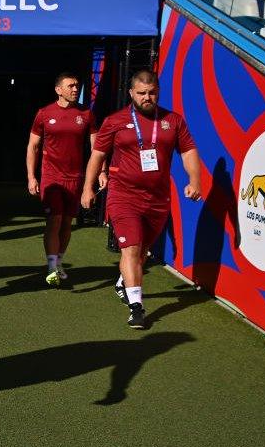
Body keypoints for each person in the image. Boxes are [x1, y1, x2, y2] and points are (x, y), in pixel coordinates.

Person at [81, 69, 201, 329]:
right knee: (132, 248)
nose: (148, 97)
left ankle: (123, 282)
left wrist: (194, 181)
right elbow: (97, 155)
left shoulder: (173, 121)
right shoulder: (115, 121)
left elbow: (189, 150)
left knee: (141, 252)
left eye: (152, 93)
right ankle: (137, 307)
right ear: (131, 93)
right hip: (124, 196)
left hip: (158, 200)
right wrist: (87, 188)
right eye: (142, 93)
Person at [26, 72, 103, 287]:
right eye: (70, 86)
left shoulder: (86, 114)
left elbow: (97, 146)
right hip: (51, 177)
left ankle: (58, 261)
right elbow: (33, 146)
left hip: (75, 178)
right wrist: (32, 176)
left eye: (77, 86)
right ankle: (51, 266)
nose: (75, 89)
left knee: (67, 223)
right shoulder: (44, 114)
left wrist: (102, 172)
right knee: (55, 220)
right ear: (58, 89)